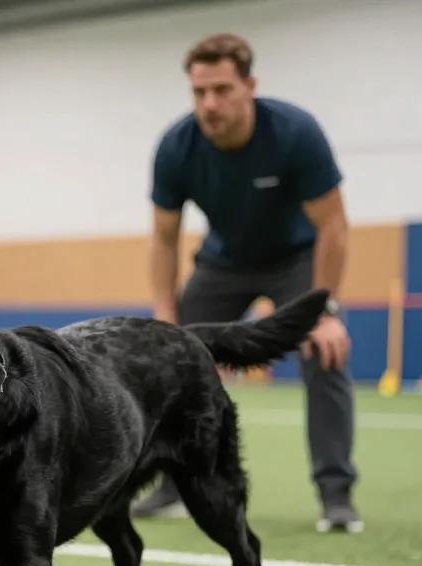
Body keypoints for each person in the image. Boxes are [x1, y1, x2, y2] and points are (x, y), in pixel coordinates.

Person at [133, 32, 362, 533]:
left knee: (324, 352)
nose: (210, 104)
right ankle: (174, 485)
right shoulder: (177, 146)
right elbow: (163, 239)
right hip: (223, 264)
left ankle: (335, 493)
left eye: (222, 90)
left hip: (296, 261)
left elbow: (334, 225)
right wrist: (165, 316)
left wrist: (324, 311)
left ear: (249, 86)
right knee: (169, 361)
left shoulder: (295, 132)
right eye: (200, 93)